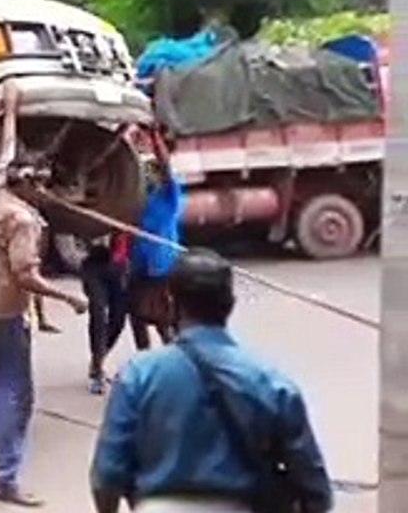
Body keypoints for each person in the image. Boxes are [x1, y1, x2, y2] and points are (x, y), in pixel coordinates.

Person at [91, 248, 333, 513]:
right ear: (230, 304)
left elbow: (107, 474)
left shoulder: (138, 375)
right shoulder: (270, 382)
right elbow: (312, 483)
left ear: (169, 303)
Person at [0, 83, 88, 507]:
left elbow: (6, 152)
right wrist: (69, 299)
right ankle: (6, 478)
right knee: (18, 394)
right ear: (27, 183)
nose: (46, 188)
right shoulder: (22, 220)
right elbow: (27, 277)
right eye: (41, 182)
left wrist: (8, 113)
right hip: (11, 309)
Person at [129, 127, 186, 350]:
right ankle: (146, 360)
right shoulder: (141, 198)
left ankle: (175, 362)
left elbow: (166, 166)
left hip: (163, 265)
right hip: (139, 263)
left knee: (164, 319)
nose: (149, 174)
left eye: (153, 171)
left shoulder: (170, 193)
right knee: (136, 316)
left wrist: (154, 138)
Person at [79, 235, 128, 395]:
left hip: (120, 265)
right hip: (94, 263)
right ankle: (98, 368)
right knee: (98, 313)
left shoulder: (129, 213)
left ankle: (99, 357)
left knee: (119, 318)